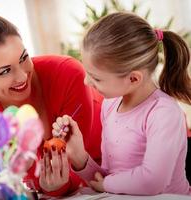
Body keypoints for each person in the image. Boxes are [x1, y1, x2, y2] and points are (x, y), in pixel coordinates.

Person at [0, 9, 103, 196]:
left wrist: (54, 186)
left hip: (116, 173)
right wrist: (51, 186)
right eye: (5, 71)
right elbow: (23, 171)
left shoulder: (67, 74)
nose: (23, 75)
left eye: (24, 58)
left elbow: (83, 168)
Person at [53, 12, 191, 195]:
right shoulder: (110, 106)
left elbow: (152, 182)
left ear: (133, 78)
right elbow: (109, 178)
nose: (86, 82)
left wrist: (107, 185)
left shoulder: (164, 113)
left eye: (96, 78)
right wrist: (79, 156)